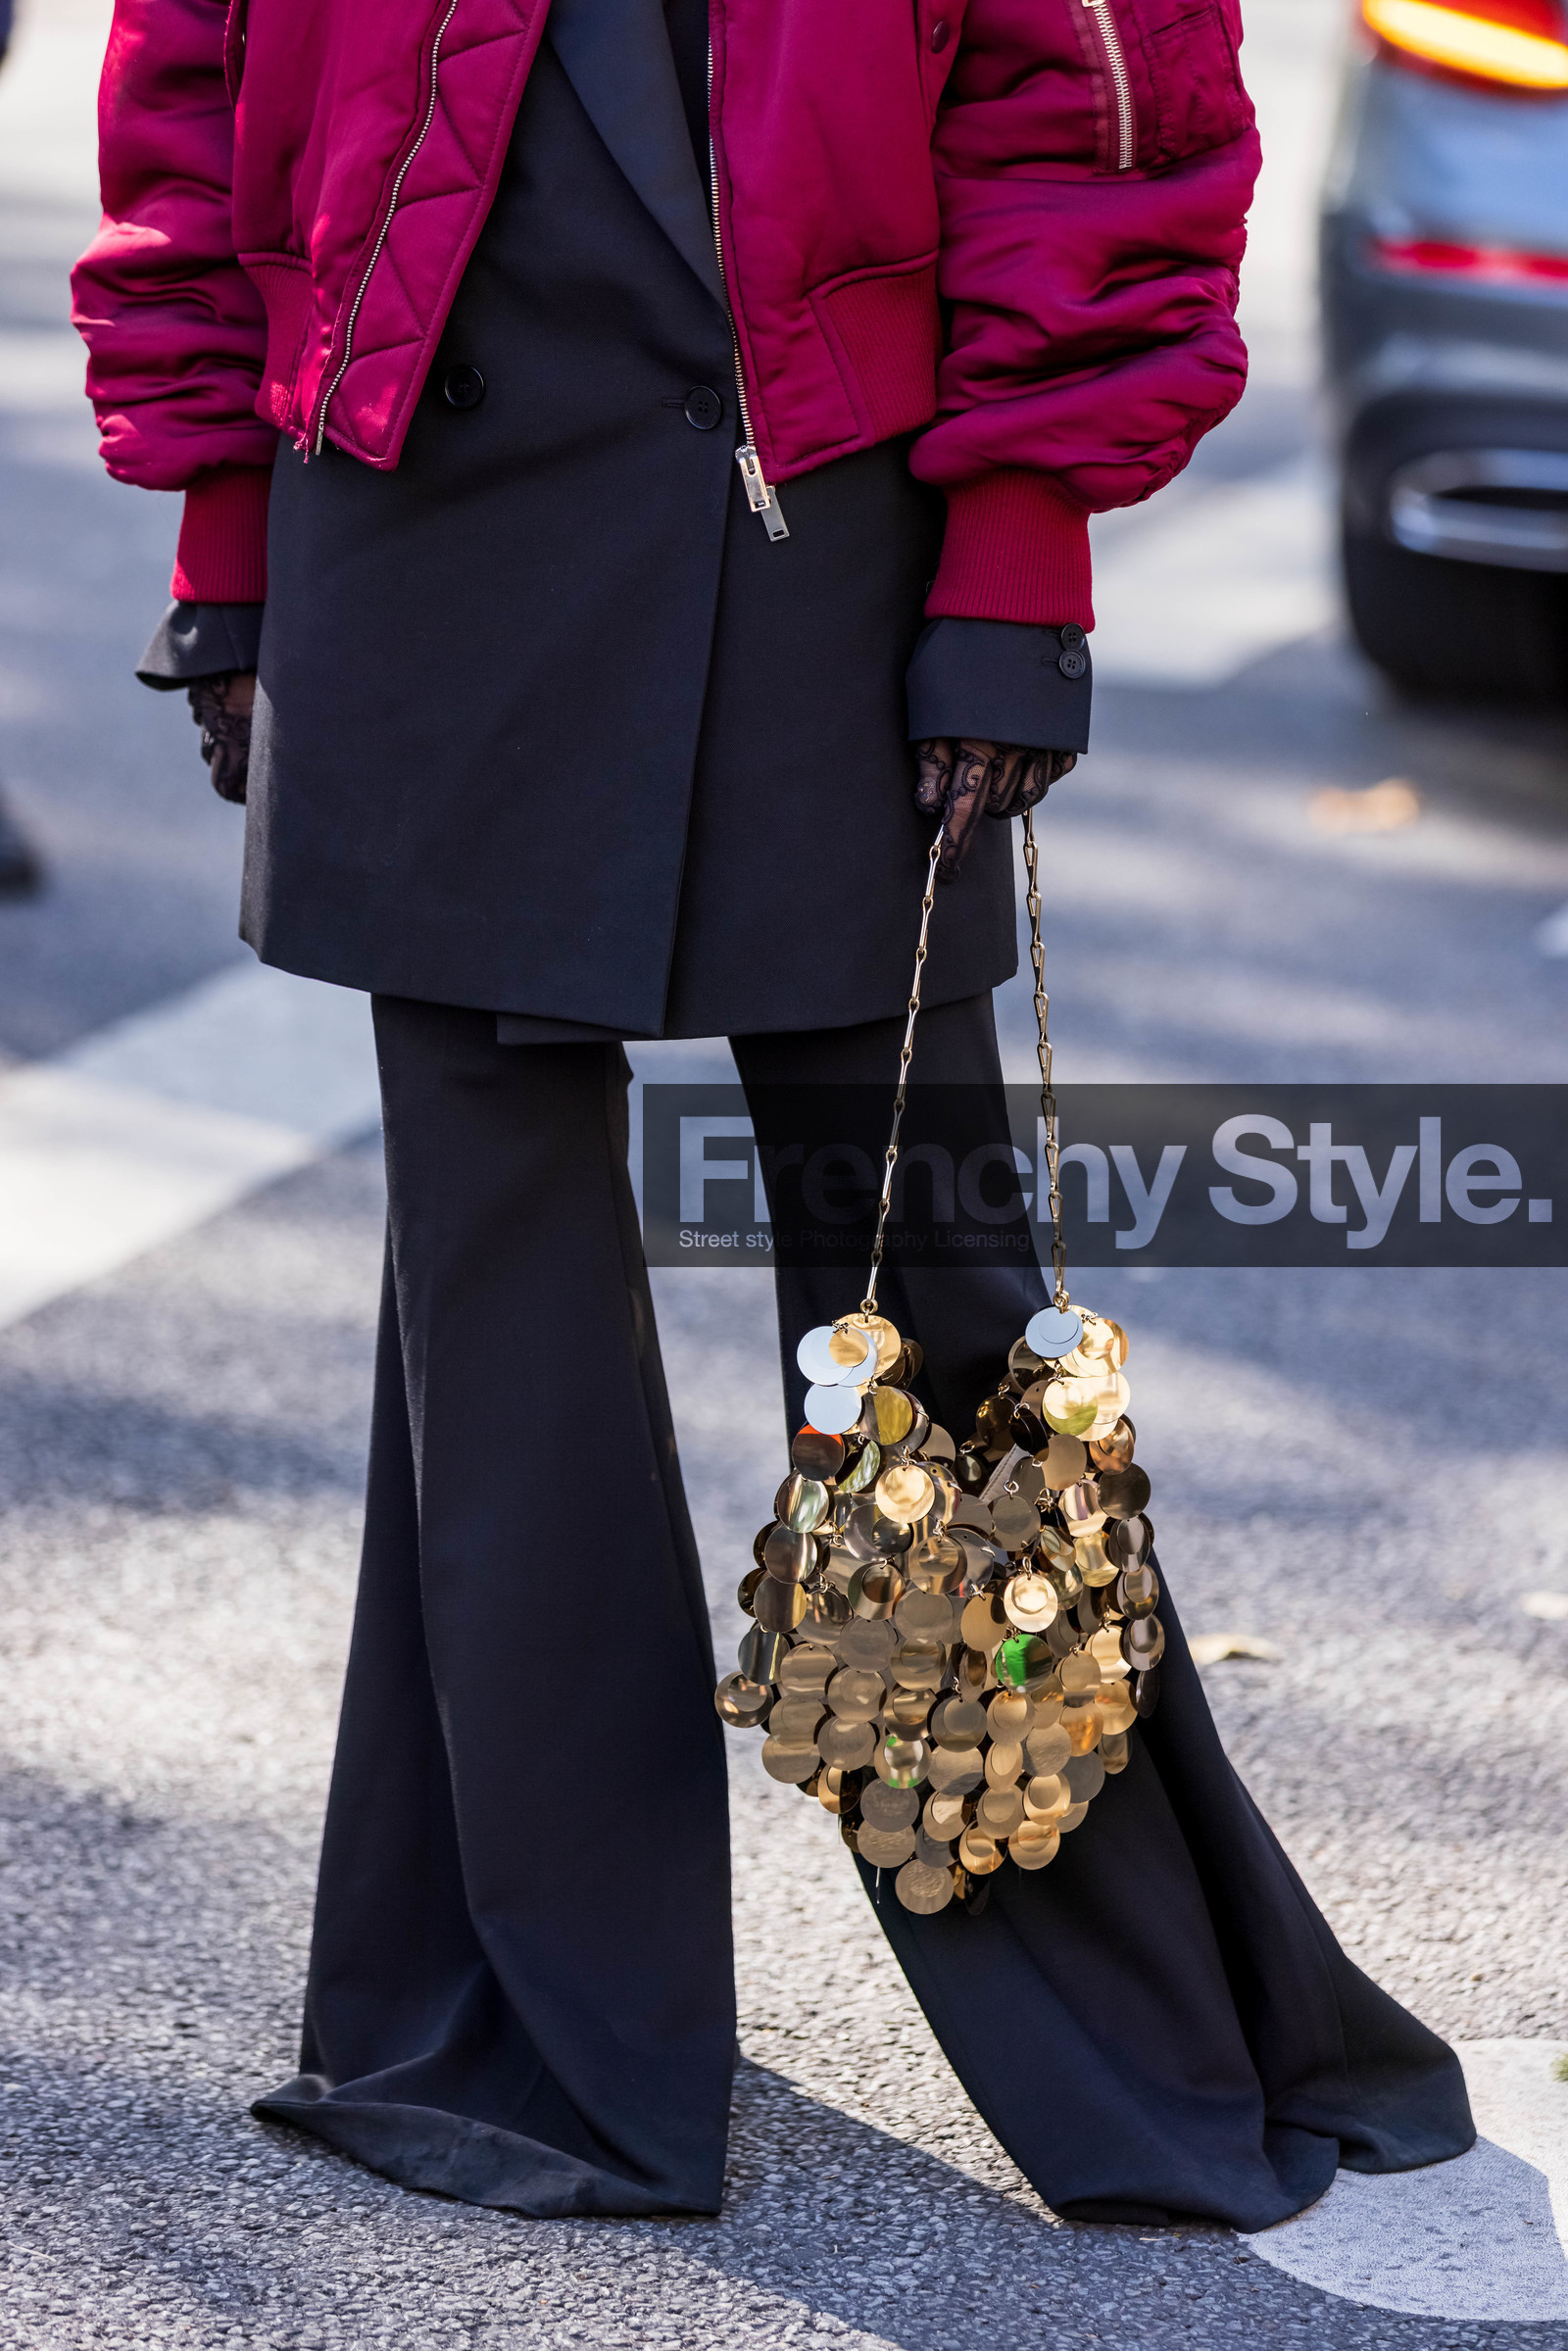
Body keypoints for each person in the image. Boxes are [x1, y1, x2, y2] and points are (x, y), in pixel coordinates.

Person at [73, 0, 1473, 2229]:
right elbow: (198, 103)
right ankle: (539, 2030)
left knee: (930, 1311)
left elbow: (1096, 118)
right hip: (406, 533)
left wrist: (1017, 556)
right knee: (489, 1327)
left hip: (835, 546)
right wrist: (226, 537)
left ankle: (1126, 2028)